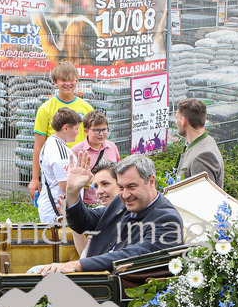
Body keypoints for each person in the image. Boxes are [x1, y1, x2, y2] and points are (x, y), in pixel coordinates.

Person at [36, 153, 183, 274]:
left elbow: (133, 255)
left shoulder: (167, 220)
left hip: (119, 296)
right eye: (121, 187)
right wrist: (72, 192)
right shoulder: (120, 203)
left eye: (131, 187)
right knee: (35, 273)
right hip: (92, 283)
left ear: (151, 181)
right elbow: (83, 223)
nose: (125, 195)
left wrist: (79, 265)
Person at [28, 61, 93, 203]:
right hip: (56, 172)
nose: (68, 83)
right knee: (57, 210)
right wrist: (34, 178)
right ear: (55, 82)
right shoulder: (45, 109)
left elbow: (92, 141)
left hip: (79, 167)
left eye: (71, 79)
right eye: (63, 80)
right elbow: (38, 146)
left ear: (77, 80)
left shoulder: (86, 108)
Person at [38, 107, 83, 227]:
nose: (78, 132)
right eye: (76, 128)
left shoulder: (52, 143)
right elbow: (65, 185)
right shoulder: (59, 150)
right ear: (66, 127)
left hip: (55, 208)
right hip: (57, 211)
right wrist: (86, 180)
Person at [70, 110, 121, 206]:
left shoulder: (112, 147)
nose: (101, 134)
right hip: (88, 203)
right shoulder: (77, 151)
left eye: (104, 130)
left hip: (112, 202)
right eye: (96, 130)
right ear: (86, 131)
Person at [173, 98, 225, 187]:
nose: (176, 121)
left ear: (184, 121)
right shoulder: (206, 141)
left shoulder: (203, 156)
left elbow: (203, 197)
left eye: (177, 117)